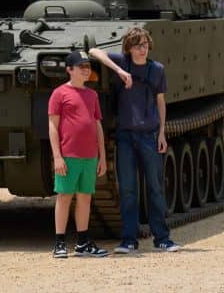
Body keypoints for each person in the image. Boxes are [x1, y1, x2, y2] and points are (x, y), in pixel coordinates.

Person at [89, 28, 182, 253]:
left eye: (145, 45)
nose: (143, 49)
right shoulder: (123, 62)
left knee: (155, 188)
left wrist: (162, 132)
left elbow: (161, 101)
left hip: (149, 135)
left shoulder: (156, 69)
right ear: (129, 48)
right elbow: (93, 51)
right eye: (138, 45)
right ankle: (129, 239)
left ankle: (162, 238)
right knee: (128, 189)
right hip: (125, 137)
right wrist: (119, 70)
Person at [48, 50, 109, 258]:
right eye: (81, 66)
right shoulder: (59, 94)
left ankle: (83, 243)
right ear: (69, 70)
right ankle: (59, 243)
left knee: (85, 198)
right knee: (64, 197)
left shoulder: (92, 95)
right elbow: (53, 126)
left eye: (88, 66)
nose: (86, 70)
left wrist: (102, 156)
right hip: (69, 155)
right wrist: (57, 156)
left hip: (90, 156)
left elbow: (97, 126)